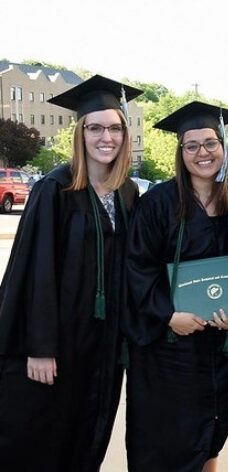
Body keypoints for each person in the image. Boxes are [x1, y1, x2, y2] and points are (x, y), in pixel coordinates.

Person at [0, 75, 141, 470]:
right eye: (95, 128)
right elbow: (34, 271)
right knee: (43, 438)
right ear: (79, 133)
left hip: (104, 343)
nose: (105, 138)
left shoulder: (128, 193)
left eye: (114, 128)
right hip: (59, 343)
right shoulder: (54, 189)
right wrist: (40, 346)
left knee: (87, 432)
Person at [125, 101, 228, 472]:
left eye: (210, 143)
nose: (202, 153)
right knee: (167, 439)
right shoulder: (157, 203)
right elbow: (137, 267)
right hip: (170, 348)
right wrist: (167, 316)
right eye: (191, 145)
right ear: (181, 151)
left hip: (225, 344)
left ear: (223, 146)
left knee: (211, 432)